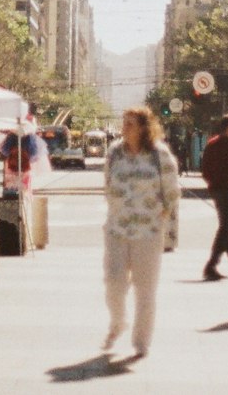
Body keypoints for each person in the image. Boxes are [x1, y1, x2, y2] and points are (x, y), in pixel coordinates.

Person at [102, 105, 180, 361]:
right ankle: (118, 321)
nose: (124, 128)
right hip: (117, 229)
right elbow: (107, 184)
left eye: (130, 124)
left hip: (148, 233)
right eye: (123, 123)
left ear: (144, 128)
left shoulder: (159, 155)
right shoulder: (114, 153)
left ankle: (142, 340)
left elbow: (171, 193)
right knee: (114, 282)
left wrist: (163, 220)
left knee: (145, 290)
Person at [199, 114, 228, 280]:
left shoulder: (211, 143)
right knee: (225, 229)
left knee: (227, 227)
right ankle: (211, 265)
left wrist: (213, 186)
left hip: (215, 190)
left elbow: (204, 170)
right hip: (227, 192)